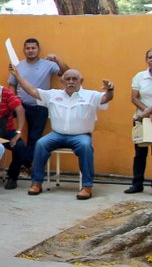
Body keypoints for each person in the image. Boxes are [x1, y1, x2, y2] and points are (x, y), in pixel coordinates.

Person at [12, 67, 114, 200]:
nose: (71, 81)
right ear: (62, 82)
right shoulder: (53, 95)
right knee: (41, 144)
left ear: (81, 81)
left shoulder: (91, 95)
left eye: (74, 79)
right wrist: (17, 75)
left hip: (81, 135)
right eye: (67, 79)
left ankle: (87, 186)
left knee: (85, 147)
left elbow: (106, 98)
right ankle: (36, 183)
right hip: (57, 134)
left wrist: (110, 90)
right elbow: (31, 90)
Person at [8, 37, 69, 175]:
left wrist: (57, 60)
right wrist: (13, 100)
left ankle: (25, 164)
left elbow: (66, 73)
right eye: (27, 48)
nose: (30, 51)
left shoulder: (48, 64)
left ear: (38, 50)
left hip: (40, 107)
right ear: (24, 50)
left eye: (33, 48)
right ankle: (27, 165)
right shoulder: (18, 65)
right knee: (14, 136)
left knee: (34, 138)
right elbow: (12, 84)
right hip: (21, 107)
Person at [126, 49, 152, 193]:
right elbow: (134, 98)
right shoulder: (140, 76)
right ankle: (137, 184)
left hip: (147, 115)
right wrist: (147, 112)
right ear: (146, 59)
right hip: (142, 120)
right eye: (150, 57)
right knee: (140, 153)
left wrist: (149, 111)